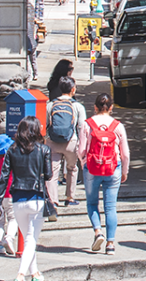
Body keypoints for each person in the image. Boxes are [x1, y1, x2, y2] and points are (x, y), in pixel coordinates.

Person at [0, 116, 52, 281]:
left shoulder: (11, 150)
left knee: (27, 237)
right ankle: (20, 275)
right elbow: (48, 175)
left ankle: (35, 273)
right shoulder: (43, 150)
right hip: (36, 199)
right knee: (31, 239)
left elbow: (4, 178)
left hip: (18, 198)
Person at [78, 93, 130, 255]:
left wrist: (84, 164)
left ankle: (97, 231)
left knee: (92, 203)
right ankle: (110, 244)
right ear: (111, 108)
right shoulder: (117, 126)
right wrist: (124, 171)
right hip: (113, 167)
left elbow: (81, 150)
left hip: (92, 168)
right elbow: (125, 153)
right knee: (110, 207)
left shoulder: (87, 124)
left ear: (95, 107)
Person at [46, 76, 87, 207]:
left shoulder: (50, 105)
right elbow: (81, 127)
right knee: (72, 169)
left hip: (52, 142)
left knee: (52, 172)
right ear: (73, 89)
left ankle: (53, 200)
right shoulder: (78, 106)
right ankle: (70, 197)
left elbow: (46, 124)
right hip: (71, 142)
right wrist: (82, 145)